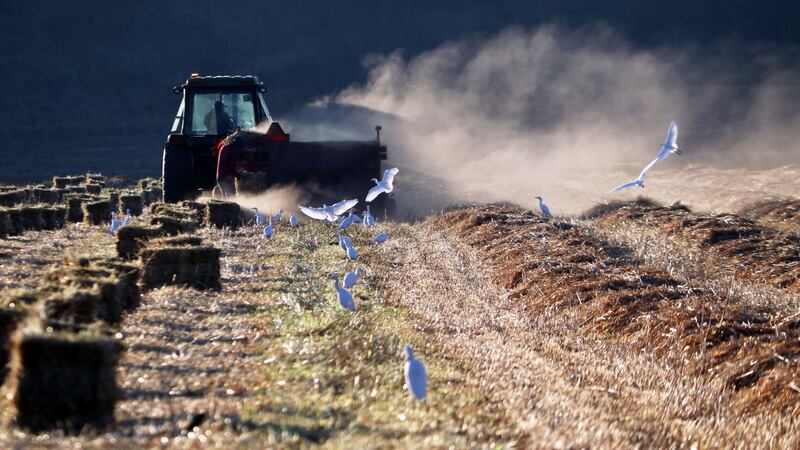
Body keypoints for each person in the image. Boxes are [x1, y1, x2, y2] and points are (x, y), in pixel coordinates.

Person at [215, 133, 243, 199]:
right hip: (227, 178)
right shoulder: (232, 152)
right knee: (232, 197)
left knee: (224, 198)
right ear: (237, 145)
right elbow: (231, 168)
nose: (240, 148)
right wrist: (238, 176)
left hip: (220, 177)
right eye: (240, 146)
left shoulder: (224, 147)